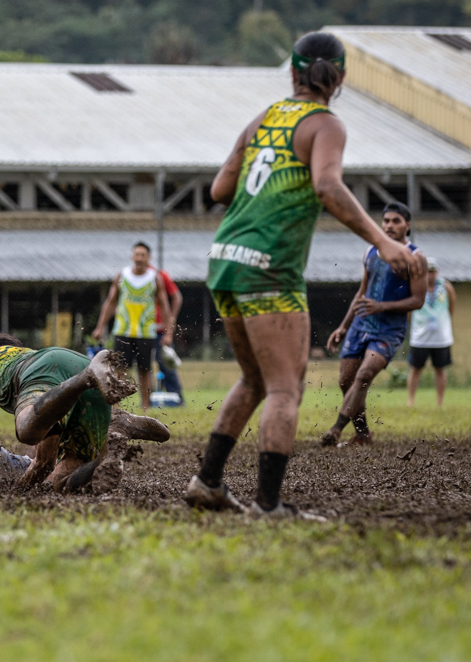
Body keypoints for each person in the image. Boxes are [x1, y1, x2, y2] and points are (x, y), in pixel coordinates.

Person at [184, 31, 423, 517]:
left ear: (292, 72)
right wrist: (384, 240)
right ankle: (268, 505)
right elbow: (327, 186)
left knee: (254, 379)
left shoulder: (264, 118)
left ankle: (208, 482)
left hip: (226, 257)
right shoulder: (325, 125)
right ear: (339, 78)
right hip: (270, 266)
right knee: (286, 387)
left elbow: (219, 188)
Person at [0, 334, 170, 493]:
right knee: (62, 484)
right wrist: (19, 491)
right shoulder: (49, 403)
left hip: (51, 367)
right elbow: (43, 464)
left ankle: (87, 379)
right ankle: (115, 437)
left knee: (27, 432)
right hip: (74, 367)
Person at [322, 202, 426, 446]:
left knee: (365, 374)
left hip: (389, 330)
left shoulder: (416, 257)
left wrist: (383, 307)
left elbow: (418, 300)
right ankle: (362, 434)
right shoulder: (370, 252)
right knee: (345, 381)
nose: (389, 225)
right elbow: (362, 293)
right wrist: (343, 327)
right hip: (360, 325)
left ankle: (335, 430)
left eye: (396, 221)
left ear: (407, 226)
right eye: (386, 220)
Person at [93, 242, 174, 408]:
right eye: (136, 254)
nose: (139, 258)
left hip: (145, 332)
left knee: (145, 370)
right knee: (119, 370)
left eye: (143, 255)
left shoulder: (155, 278)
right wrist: (100, 326)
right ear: (132, 256)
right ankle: (115, 407)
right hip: (123, 330)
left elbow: (165, 307)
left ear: (148, 258)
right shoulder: (122, 276)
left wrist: (168, 333)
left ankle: (145, 406)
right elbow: (110, 302)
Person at [407, 258, 456, 408]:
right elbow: (409, 311)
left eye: (433, 271)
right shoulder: (415, 286)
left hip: (441, 338)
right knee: (415, 369)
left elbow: (451, 307)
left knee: (440, 369)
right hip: (420, 338)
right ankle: (410, 401)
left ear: (437, 272)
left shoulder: (446, 287)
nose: (430, 275)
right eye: (427, 272)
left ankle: (440, 403)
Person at [154, 266, 184, 402]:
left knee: (167, 365)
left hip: (160, 331)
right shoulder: (131, 276)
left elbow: (177, 297)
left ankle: (177, 399)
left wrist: (169, 331)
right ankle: (146, 401)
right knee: (143, 368)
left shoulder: (159, 276)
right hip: (140, 332)